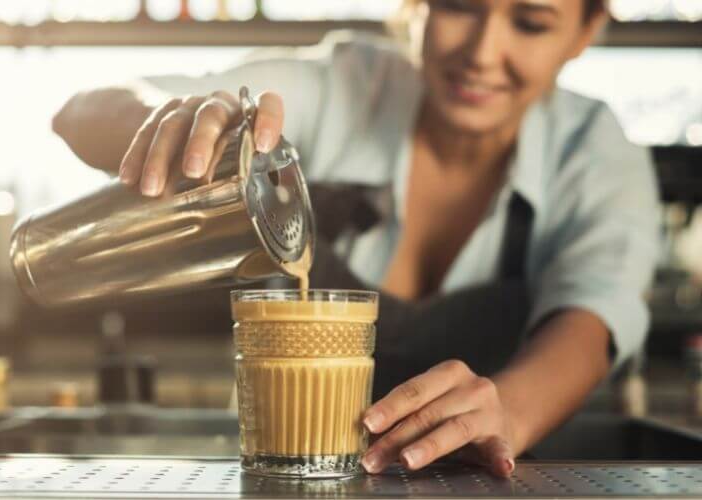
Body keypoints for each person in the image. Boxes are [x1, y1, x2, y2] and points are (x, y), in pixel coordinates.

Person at [52, 0, 660, 479]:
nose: (482, 51)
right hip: (288, 480)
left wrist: (508, 411)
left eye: (530, 22)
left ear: (584, 31)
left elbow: (593, 314)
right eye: (457, 6)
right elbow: (82, 109)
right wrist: (170, 120)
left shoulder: (595, 152)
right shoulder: (348, 84)